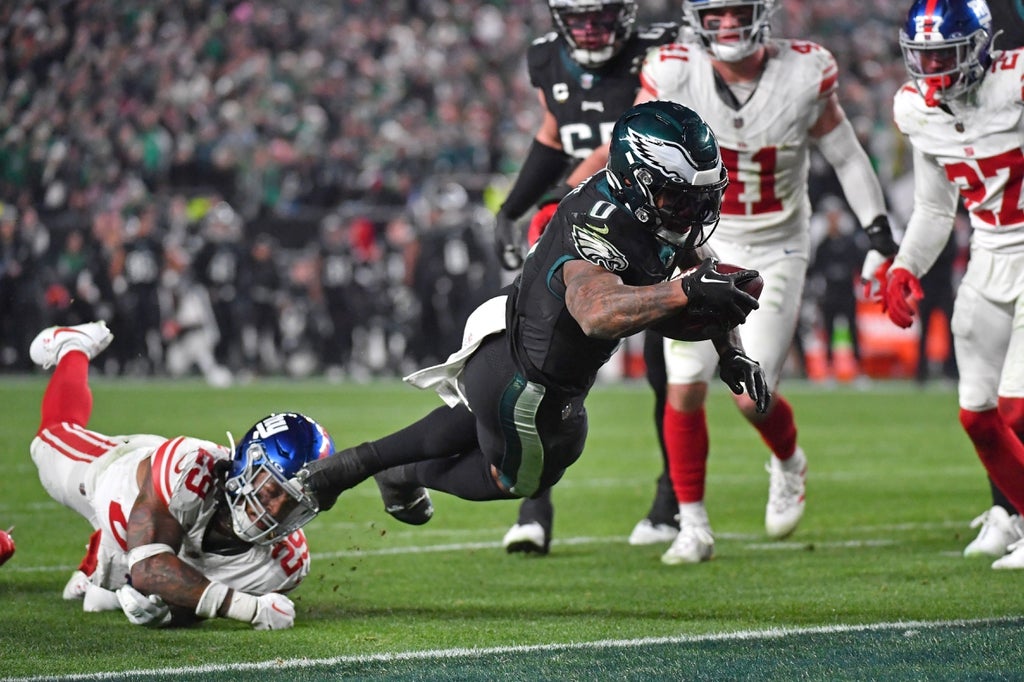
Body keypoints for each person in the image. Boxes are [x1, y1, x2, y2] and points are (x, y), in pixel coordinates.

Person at [298, 102, 770, 541]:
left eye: (702, 198)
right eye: (680, 199)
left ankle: (348, 467)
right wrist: (683, 292)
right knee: (518, 476)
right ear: (638, 182)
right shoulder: (598, 224)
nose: (694, 213)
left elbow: (699, 263)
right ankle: (406, 474)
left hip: (506, 340)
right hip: (531, 384)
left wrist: (731, 350)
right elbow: (597, 314)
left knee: (472, 423)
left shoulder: (645, 206)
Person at [564, 0, 898, 564]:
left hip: (776, 245)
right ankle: (692, 523)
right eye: (714, 15)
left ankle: (789, 461)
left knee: (749, 395)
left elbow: (844, 152)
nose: (725, 25)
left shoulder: (803, 70)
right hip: (696, 240)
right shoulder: (673, 69)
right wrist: (571, 195)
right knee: (683, 384)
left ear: (763, 13)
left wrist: (879, 231)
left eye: (736, 12)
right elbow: (632, 148)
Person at [494, 0, 685, 555]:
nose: (592, 31)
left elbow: (626, 140)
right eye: (579, 20)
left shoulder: (659, 51)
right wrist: (513, 205)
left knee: (664, 368)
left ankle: (671, 496)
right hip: (580, 231)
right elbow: (555, 131)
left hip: (645, 226)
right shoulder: (548, 60)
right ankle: (532, 507)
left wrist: (561, 195)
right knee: (536, 361)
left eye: (602, 18)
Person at [28, 320, 336, 628]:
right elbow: (149, 567)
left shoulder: (286, 564)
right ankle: (74, 346)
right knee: (48, 441)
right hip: (113, 484)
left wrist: (168, 614)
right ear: (247, 465)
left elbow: (191, 597)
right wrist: (250, 610)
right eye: (272, 491)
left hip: (144, 546)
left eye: (294, 504)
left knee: (98, 602)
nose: (276, 510)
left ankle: (98, 562)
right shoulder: (190, 466)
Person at [882, 0, 1024, 568]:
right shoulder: (916, 109)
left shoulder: (1014, 82)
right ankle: (1011, 514)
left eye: (947, 54)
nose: (934, 68)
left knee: (1016, 411)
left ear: (982, 47)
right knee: (978, 416)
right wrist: (903, 267)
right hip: (988, 258)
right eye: (925, 56)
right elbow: (935, 209)